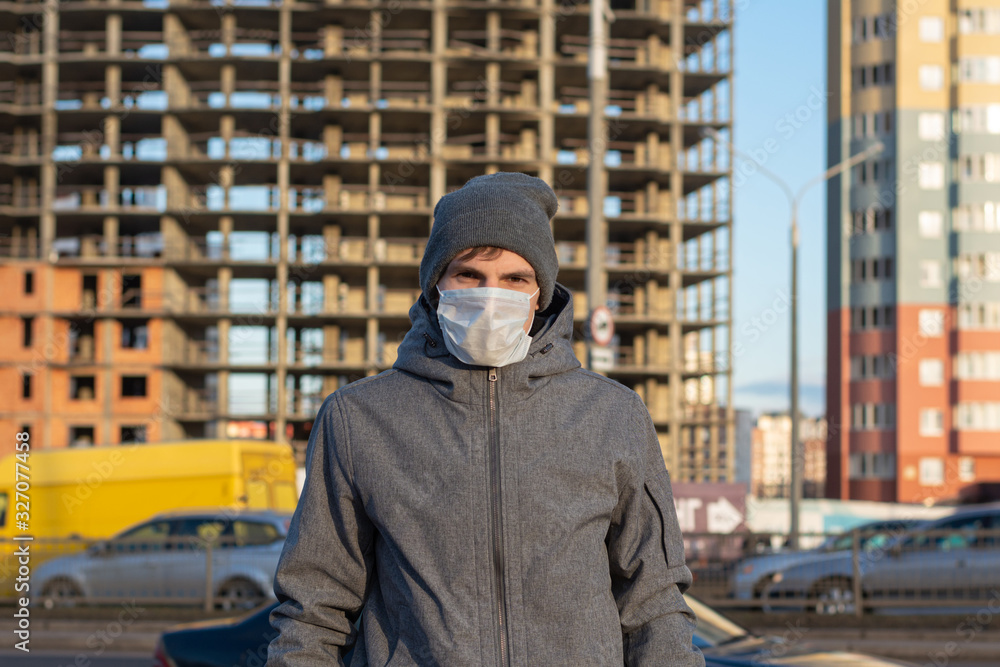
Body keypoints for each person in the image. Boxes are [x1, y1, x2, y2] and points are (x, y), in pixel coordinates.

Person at [267, 172, 704, 666]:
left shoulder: (613, 415)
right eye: (470, 275)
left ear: (540, 293)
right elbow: (313, 611)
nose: (491, 296)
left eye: (516, 279)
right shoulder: (358, 419)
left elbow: (654, 604)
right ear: (435, 284)